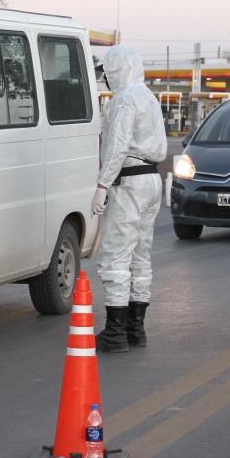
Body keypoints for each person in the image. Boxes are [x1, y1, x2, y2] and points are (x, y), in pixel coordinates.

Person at [91, 45, 168, 353]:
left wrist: (101, 185)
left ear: (116, 70)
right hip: (152, 179)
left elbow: (116, 146)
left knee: (115, 254)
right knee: (140, 254)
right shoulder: (148, 96)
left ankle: (115, 331)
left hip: (130, 181)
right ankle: (136, 328)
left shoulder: (123, 100)